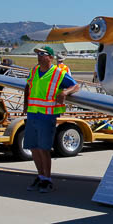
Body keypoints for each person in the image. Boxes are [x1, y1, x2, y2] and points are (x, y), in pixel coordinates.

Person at [23, 45, 79, 193]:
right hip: (33, 113)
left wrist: (65, 92)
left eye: (43, 54)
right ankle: (40, 176)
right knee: (33, 146)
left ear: (51, 57)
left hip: (47, 115)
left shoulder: (58, 73)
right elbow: (28, 86)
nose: (39, 56)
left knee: (44, 148)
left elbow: (75, 85)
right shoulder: (34, 70)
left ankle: (47, 179)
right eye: (38, 54)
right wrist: (25, 105)